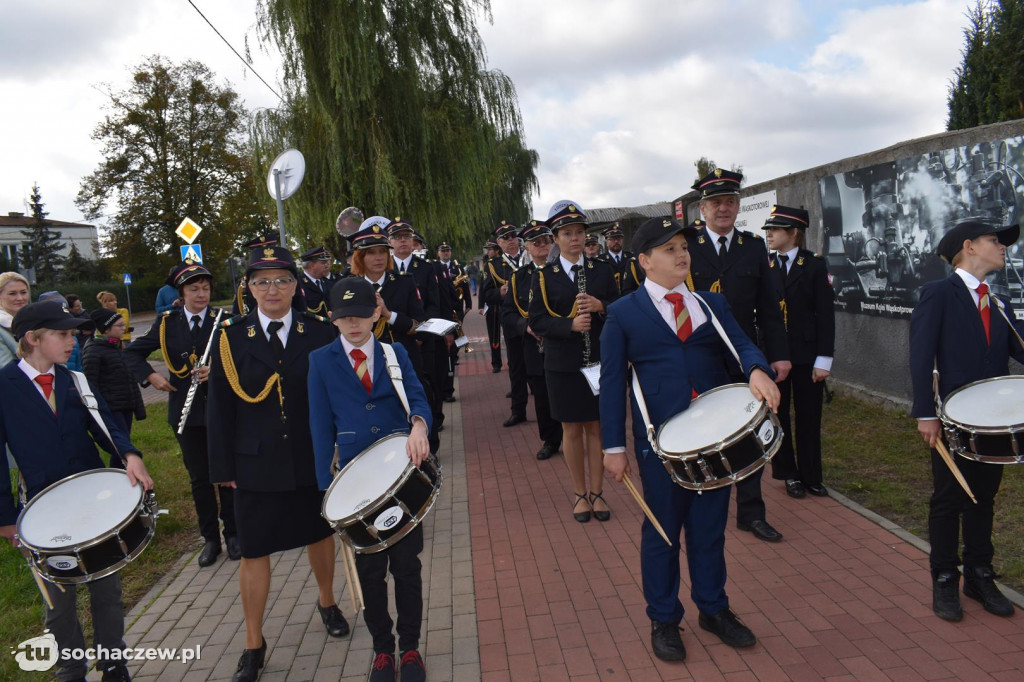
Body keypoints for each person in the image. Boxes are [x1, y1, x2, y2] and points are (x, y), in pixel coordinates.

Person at [600, 217, 780, 662]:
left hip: (713, 439)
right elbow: (611, 383)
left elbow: (743, 345)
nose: (682, 254)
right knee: (663, 529)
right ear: (644, 261)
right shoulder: (623, 313)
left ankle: (713, 608)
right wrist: (613, 448)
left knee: (709, 527)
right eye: (669, 249)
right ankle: (663, 617)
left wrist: (757, 368)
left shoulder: (710, 303)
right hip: (660, 441)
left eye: (683, 246)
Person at [207, 246, 348, 682]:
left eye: (282, 280)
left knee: (319, 534)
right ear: (248, 288)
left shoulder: (320, 331)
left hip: (312, 456)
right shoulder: (231, 337)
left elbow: (337, 395)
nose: (273, 289)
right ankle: (254, 641)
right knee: (254, 550)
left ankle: (327, 600)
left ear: (296, 285)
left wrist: (345, 449)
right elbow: (219, 408)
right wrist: (222, 470)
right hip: (255, 463)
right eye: (262, 281)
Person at [0, 300, 154, 682]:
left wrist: (130, 455)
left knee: (107, 589)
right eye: (63, 334)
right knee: (59, 601)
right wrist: (5, 519)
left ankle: (114, 663)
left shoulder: (75, 380)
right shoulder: (3, 387)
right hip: (41, 508)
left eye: (72, 334)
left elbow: (107, 427)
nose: (72, 341)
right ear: (33, 339)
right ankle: (71, 668)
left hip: (91, 501)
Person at [309, 277, 432, 682]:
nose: (354, 323)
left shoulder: (394, 352)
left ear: (376, 313)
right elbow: (319, 425)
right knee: (370, 571)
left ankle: (410, 648)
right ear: (332, 318)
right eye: (344, 317)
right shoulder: (320, 361)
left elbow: (416, 395)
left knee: (407, 566)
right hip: (356, 482)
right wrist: (328, 493)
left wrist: (419, 425)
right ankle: (383, 650)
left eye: (361, 314)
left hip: (398, 475)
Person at [910, 219, 1023, 622]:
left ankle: (979, 574)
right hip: (953, 420)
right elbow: (921, 357)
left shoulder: (998, 300)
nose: (1003, 247)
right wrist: (925, 413)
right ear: (969, 246)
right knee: (949, 498)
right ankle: (944, 577)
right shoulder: (939, 294)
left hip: (992, 421)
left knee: (985, 497)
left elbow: (1018, 349)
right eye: (996, 241)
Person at [686, 168, 790, 543]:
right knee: (703, 430)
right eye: (716, 203)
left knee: (749, 433)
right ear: (703, 209)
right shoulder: (686, 247)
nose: (724, 208)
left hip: (746, 358)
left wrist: (777, 355)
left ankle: (751, 512)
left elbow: (769, 306)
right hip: (699, 358)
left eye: (730, 201)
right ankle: (705, 502)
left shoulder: (752, 247)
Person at [124, 262, 239, 567]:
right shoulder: (166, 323)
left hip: (221, 409)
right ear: (181, 293)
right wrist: (150, 376)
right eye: (193, 289)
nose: (201, 294)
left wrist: (217, 370)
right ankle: (211, 539)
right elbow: (131, 352)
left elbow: (243, 356)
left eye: (205, 288)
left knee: (226, 475)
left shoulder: (224, 320)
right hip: (185, 413)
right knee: (200, 479)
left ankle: (234, 534)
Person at [529, 200, 618, 522]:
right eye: (567, 233)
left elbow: (620, 308)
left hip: (597, 361)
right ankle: (579, 493)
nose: (575, 238)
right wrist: (568, 326)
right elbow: (537, 321)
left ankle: (598, 493)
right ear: (556, 238)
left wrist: (601, 306)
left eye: (579, 232)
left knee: (595, 428)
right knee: (571, 429)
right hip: (562, 365)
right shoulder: (544, 276)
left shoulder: (603, 270)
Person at [761, 205, 835, 498]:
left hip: (806, 357)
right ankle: (788, 474)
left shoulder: (814, 265)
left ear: (793, 233)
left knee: (808, 416)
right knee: (779, 416)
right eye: (768, 229)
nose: (769, 235)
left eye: (775, 230)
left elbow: (825, 315)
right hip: (775, 357)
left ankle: (811, 475)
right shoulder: (764, 265)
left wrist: (824, 360)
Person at [503, 220, 563, 460]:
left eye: (546, 241)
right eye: (535, 242)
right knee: (542, 396)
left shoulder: (563, 271)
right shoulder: (519, 278)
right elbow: (508, 314)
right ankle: (550, 439)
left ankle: (572, 435)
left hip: (562, 343)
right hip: (534, 346)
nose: (541, 245)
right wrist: (525, 326)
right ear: (526, 247)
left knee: (567, 393)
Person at [388, 219, 444, 453]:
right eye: (397, 237)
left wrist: (422, 331)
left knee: (425, 388)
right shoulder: (384, 268)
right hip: (393, 341)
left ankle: (431, 445)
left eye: (406, 237)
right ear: (390, 242)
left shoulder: (427, 268)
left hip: (423, 340)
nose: (402, 241)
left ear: (413, 241)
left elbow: (433, 303)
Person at [483, 222, 529, 426]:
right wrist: (498, 293)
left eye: (513, 236)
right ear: (499, 243)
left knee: (541, 368)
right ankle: (518, 411)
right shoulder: (493, 265)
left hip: (536, 319)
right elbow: (486, 295)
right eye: (505, 238)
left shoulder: (529, 257)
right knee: (517, 367)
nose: (511, 241)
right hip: (511, 321)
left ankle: (548, 410)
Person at [83, 308, 146, 446]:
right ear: (106, 329)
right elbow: (90, 383)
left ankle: (122, 468)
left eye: (124, 324)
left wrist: (138, 407)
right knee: (121, 446)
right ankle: (122, 468)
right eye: (120, 325)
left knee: (124, 444)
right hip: (111, 408)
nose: (124, 328)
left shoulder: (119, 347)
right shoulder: (94, 350)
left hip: (125, 405)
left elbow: (130, 379)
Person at [478, 240, 504, 372]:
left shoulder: (505, 262)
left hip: (505, 304)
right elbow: (483, 286)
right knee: (494, 336)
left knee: (511, 336)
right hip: (493, 305)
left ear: (497, 250)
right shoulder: (488, 265)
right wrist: (481, 305)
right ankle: (496, 362)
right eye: (487, 249)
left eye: (490, 249)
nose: (488, 252)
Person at [0, 272, 31, 368]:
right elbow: (5, 369)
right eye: (12, 294)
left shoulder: (35, 322)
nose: (20, 298)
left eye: (23, 292)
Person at [299, 245, 335, 316]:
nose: (326, 265)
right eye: (323, 263)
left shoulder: (328, 282)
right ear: (312, 265)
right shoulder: (298, 284)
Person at [602, 223, 632, 294]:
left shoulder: (630, 258)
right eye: (612, 239)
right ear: (607, 242)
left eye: (619, 239)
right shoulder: (601, 261)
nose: (616, 242)